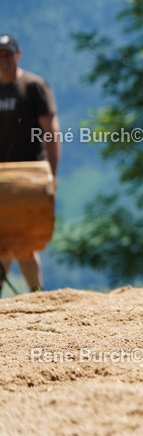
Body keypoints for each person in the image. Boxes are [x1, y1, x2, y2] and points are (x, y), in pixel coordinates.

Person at [0, 35, 60, 293]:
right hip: (0, 176)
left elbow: (51, 132)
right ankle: (37, 296)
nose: (3, 60)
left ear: (18, 54)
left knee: (21, 241)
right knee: (8, 240)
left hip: (30, 175)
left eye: (7, 54)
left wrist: (51, 175)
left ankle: (36, 295)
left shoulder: (34, 86)